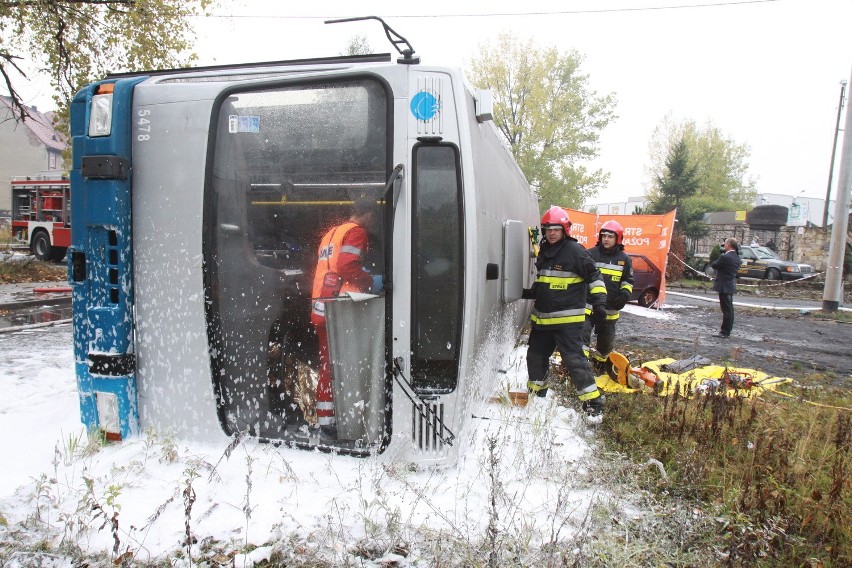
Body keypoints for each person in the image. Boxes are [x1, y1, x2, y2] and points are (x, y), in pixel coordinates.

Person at [522, 206, 608, 422]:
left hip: (567, 323)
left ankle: (593, 404)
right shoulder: (545, 252)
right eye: (548, 229)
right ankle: (537, 396)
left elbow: (595, 276)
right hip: (542, 321)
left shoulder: (576, 251)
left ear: (565, 230)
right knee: (535, 357)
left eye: (556, 229)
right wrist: (528, 292)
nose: (552, 233)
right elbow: (545, 282)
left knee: (574, 362)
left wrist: (599, 303)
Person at [310, 196, 383, 438]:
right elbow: (346, 266)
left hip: (322, 307)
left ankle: (327, 421)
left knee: (328, 366)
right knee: (350, 366)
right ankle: (348, 423)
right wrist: (370, 281)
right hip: (343, 310)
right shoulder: (357, 232)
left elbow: (331, 268)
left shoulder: (331, 233)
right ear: (369, 215)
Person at [582, 220, 634, 367]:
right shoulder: (590, 254)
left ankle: (599, 364)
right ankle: (580, 367)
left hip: (610, 309)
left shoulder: (624, 259)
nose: (606, 239)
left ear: (618, 238)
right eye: (604, 235)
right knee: (582, 335)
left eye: (610, 236)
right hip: (589, 306)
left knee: (606, 342)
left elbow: (628, 281)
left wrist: (624, 295)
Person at [711, 237, 740, 338]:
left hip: (724, 286)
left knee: (726, 310)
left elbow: (714, 265)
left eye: (725, 244)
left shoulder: (725, 257)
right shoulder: (737, 257)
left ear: (728, 245)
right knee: (730, 310)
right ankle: (727, 330)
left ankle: (725, 332)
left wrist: (720, 256)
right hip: (730, 285)